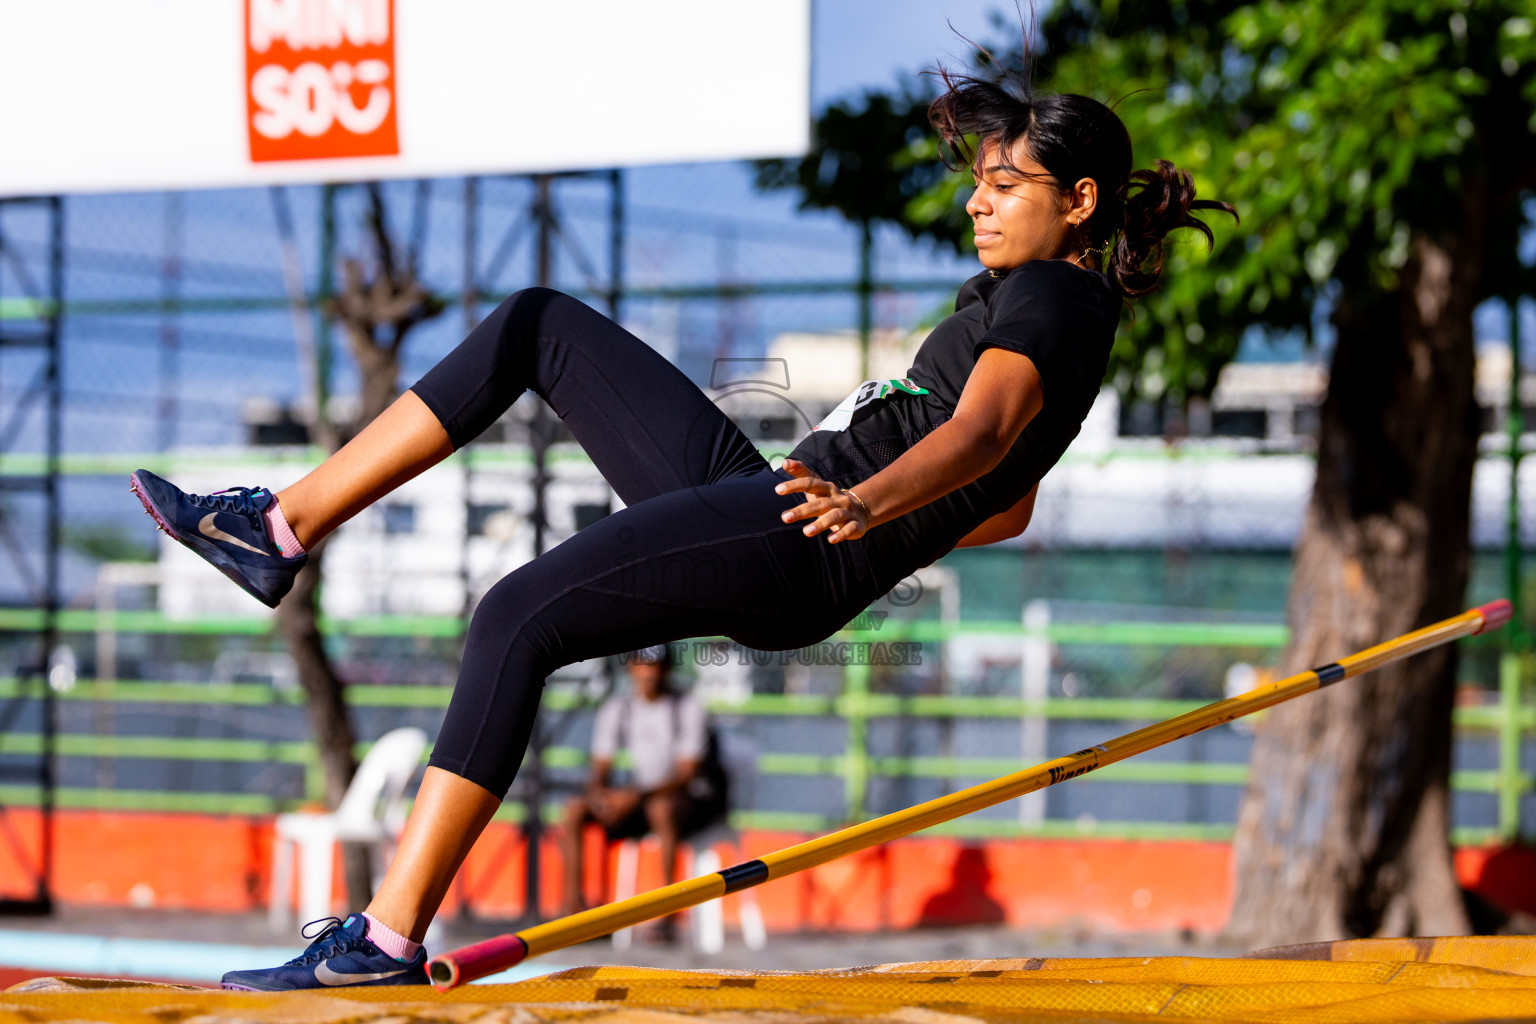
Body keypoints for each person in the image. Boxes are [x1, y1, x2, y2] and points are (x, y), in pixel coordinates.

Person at [129, 59, 1232, 990]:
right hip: (783, 501)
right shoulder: (1025, 303)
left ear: (1078, 203)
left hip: (798, 532)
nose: (977, 205)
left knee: (516, 614)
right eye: (978, 186)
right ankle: (274, 528)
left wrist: (864, 507)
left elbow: (987, 438)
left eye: (1005, 186)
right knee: (539, 326)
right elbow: (1010, 502)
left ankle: (381, 936)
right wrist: (883, 514)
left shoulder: (1056, 295)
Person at [558, 644, 728, 937]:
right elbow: (600, 766)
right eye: (643, 663)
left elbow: (686, 776)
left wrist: (633, 795)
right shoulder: (619, 707)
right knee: (575, 810)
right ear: (631, 667)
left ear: (668, 668)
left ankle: (668, 913)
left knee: (662, 808)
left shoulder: (687, 707)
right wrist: (600, 796)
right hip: (642, 799)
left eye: (656, 664)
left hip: (689, 803)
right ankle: (576, 912)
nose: (649, 672)